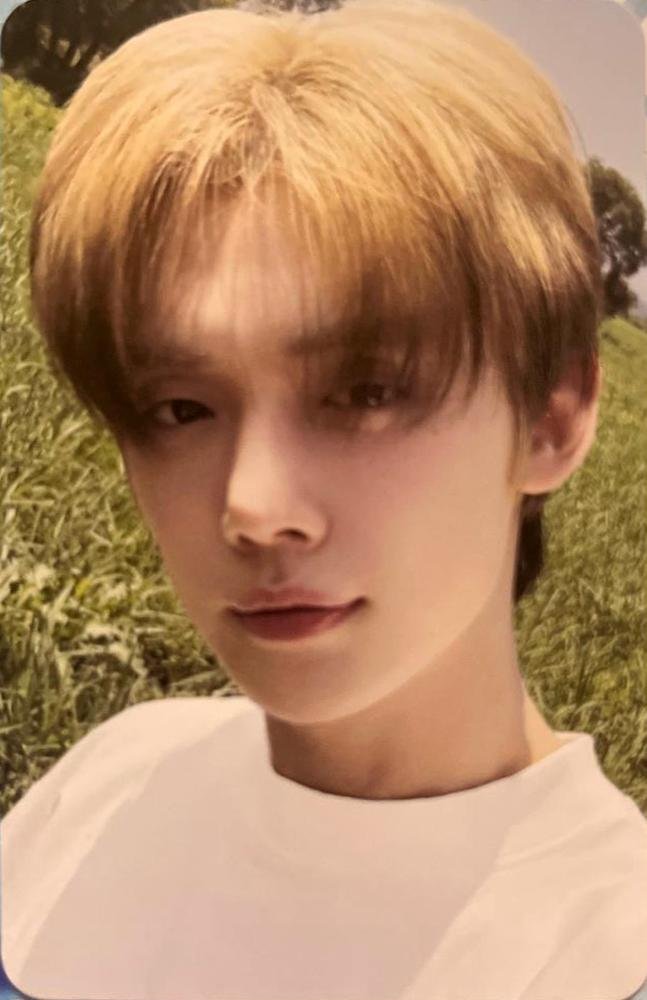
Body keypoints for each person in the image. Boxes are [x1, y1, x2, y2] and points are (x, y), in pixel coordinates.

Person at [2, 0, 647, 997]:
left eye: (365, 392)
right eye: (179, 407)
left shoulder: (607, 947)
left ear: (549, 417)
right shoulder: (108, 779)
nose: (253, 506)